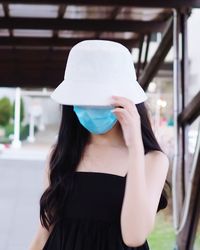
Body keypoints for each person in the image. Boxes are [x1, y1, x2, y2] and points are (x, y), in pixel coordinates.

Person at [29, 40, 170, 250]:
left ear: (128, 101)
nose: (92, 105)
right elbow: (44, 231)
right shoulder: (61, 154)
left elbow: (134, 236)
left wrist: (135, 147)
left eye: (101, 99)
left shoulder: (152, 160)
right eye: (83, 98)